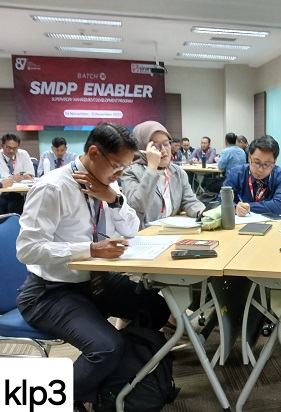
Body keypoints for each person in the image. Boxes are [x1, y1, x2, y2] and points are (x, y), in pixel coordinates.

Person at [15, 122, 171, 412]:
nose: (119, 174)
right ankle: (55, 401)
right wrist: (90, 249)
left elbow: (132, 229)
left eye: (124, 168)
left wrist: (113, 198)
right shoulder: (52, 187)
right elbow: (27, 249)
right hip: (50, 291)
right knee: (106, 347)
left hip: (96, 281)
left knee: (156, 308)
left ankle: (113, 383)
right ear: (94, 153)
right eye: (117, 166)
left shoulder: (107, 182)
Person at [121, 121, 205, 229]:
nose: (164, 150)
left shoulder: (177, 172)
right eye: (155, 146)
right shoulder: (131, 172)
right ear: (142, 149)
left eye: (166, 144)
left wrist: (202, 213)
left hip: (171, 231)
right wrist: (152, 168)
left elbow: (189, 201)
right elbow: (139, 205)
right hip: (145, 234)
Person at [223, 135, 281, 216]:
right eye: (257, 162)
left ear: (274, 162)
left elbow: (280, 206)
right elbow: (222, 201)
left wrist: (246, 207)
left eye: (267, 164)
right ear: (249, 157)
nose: (260, 169)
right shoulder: (235, 174)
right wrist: (234, 208)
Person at [0, 133, 33, 214]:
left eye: (15, 148)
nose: (11, 151)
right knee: (16, 198)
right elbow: (2, 176)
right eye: (8, 148)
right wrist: (20, 176)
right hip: (5, 191)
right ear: (2, 146)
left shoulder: (23, 154)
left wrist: (15, 177)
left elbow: (30, 174)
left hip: (24, 189)